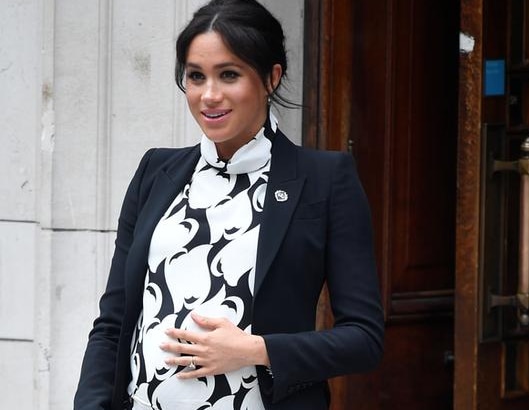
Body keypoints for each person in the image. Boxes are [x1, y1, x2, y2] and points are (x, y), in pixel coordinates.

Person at [73, 0, 384, 409]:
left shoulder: (325, 180)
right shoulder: (156, 171)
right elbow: (113, 324)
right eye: (196, 76)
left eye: (229, 75)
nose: (209, 95)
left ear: (271, 78)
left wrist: (257, 350)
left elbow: (364, 339)